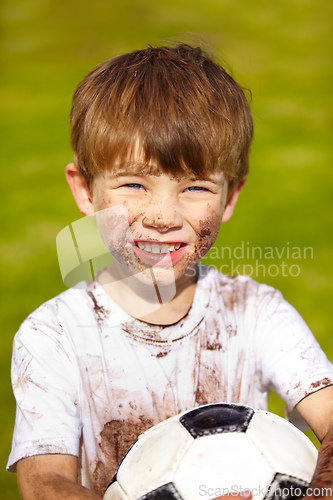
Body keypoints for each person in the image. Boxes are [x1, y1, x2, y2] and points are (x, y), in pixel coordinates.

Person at [7, 44, 333, 500]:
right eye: (134, 184)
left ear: (230, 197)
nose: (163, 216)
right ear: (84, 190)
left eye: (195, 187)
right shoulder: (53, 336)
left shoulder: (256, 314)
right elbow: (44, 484)